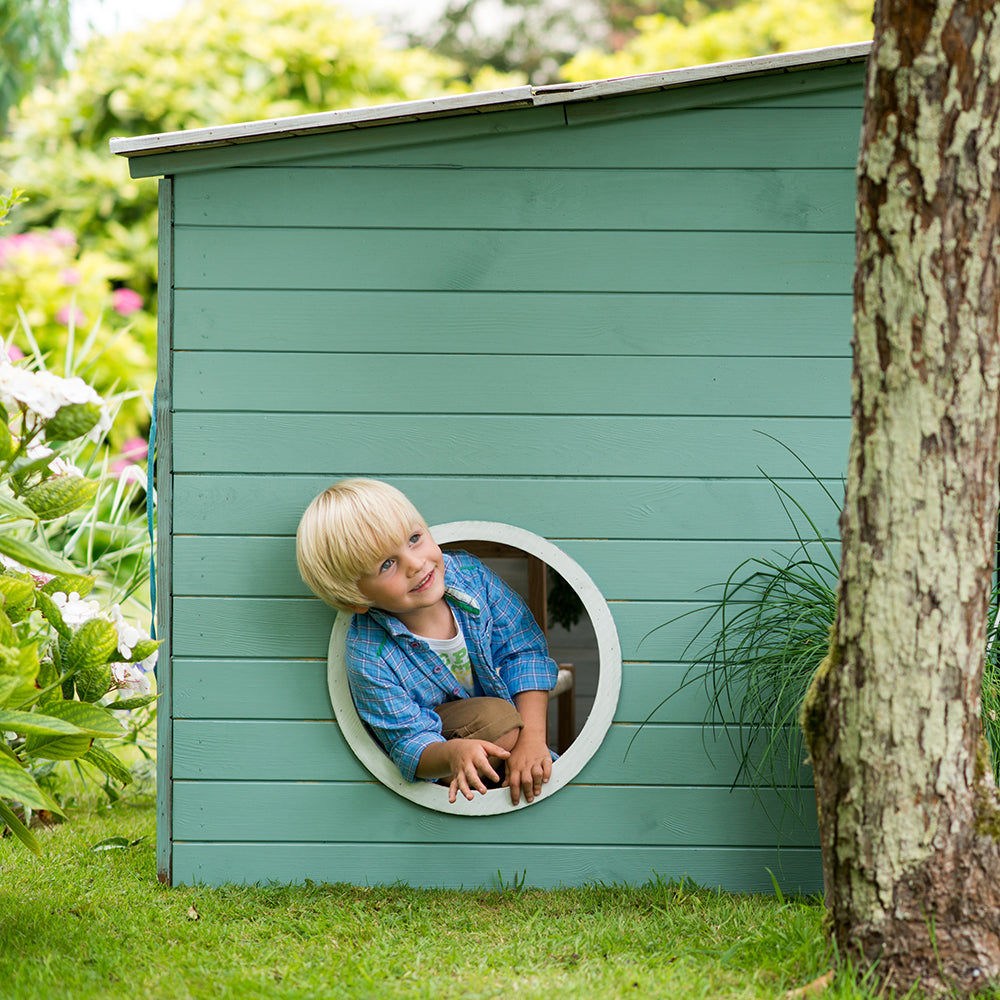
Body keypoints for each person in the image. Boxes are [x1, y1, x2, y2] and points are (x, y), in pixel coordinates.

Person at [296, 478, 558, 806]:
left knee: (518, 736)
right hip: (445, 746)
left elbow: (524, 653)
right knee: (500, 721)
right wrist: (451, 755)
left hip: (510, 730)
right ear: (357, 598)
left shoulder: (470, 576)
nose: (416, 564)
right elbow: (408, 741)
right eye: (387, 565)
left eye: (415, 539)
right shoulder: (369, 654)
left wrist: (533, 740)